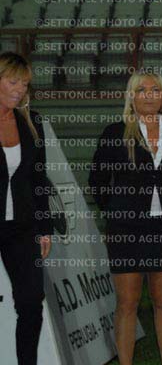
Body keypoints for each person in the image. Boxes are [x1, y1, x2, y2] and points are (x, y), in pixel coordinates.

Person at [88, 71, 162, 365]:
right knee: (127, 304)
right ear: (131, 96)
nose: (149, 95)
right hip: (126, 230)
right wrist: (117, 211)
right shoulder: (115, 133)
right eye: (142, 89)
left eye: (155, 89)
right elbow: (97, 181)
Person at [0, 52, 54, 365]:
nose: (20, 89)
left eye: (24, 83)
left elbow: (38, 178)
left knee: (32, 302)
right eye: (13, 81)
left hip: (22, 227)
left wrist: (44, 228)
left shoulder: (32, 122)